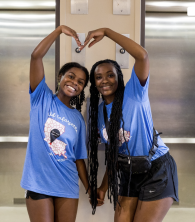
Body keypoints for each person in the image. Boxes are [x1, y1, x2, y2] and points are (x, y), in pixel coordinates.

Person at [83, 28, 179, 222]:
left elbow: (142, 56)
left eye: (110, 75)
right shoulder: (99, 112)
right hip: (129, 172)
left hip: (156, 169)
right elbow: (113, 154)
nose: (104, 81)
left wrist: (107, 32)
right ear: (94, 84)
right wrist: (103, 188)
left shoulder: (135, 94)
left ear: (118, 76)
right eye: (98, 77)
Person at [20, 25, 90, 222]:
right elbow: (36, 56)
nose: (74, 82)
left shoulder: (77, 118)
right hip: (38, 183)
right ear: (60, 77)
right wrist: (59, 31)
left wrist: (89, 188)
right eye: (71, 76)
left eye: (81, 82)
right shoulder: (41, 98)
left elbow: (78, 158)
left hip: (67, 184)